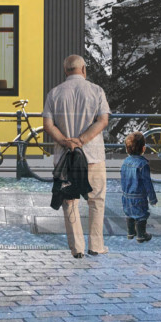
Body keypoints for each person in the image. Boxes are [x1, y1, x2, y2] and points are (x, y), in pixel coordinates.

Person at [42, 54, 110, 259]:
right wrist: (82, 139)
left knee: (70, 201)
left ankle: (77, 248)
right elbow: (103, 120)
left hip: (66, 158)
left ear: (65, 71)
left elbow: (47, 125)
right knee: (96, 200)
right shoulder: (96, 91)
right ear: (84, 69)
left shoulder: (54, 93)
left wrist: (66, 141)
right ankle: (96, 246)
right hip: (93, 155)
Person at [119, 131, 157, 243]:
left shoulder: (125, 162)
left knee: (129, 213)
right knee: (142, 215)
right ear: (143, 149)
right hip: (139, 196)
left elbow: (123, 177)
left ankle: (130, 232)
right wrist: (152, 198)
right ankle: (141, 234)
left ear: (127, 149)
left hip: (126, 195)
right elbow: (147, 183)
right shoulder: (143, 164)